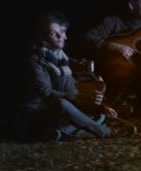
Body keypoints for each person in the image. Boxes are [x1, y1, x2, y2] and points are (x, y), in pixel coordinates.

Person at [11, 10, 116, 142]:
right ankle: (93, 129)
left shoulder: (61, 58)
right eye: (54, 34)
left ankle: (62, 133)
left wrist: (93, 99)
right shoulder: (32, 60)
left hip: (57, 110)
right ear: (42, 38)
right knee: (64, 104)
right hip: (34, 112)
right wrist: (79, 99)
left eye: (63, 32)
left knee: (100, 114)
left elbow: (72, 86)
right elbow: (47, 93)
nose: (63, 37)